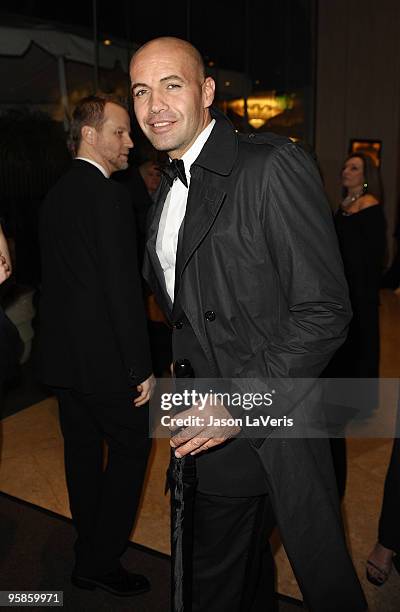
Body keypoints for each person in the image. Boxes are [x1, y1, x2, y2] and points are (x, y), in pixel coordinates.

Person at [130, 37, 367, 612]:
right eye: (141, 91)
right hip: (202, 419)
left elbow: (325, 310)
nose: (154, 105)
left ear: (207, 92)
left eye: (172, 85)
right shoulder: (167, 185)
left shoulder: (271, 165)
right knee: (243, 573)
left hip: (261, 415)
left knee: (210, 586)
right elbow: (197, 302)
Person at [37, 95, 155, 597]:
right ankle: (100, 559)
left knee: (82, 455)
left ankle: (90, 544)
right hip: (106, 363)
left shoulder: (55, 194)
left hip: (63, 362)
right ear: (91, 135)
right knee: (133, 446)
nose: (130, 142)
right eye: (121, 132)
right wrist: (141, 366)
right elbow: (121, 291)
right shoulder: (107, 196)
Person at [327, 154, 386, 498]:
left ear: (367, 177)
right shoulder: (345, 204)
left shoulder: (370, 205)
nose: (345, 171)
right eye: (345, 166)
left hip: (359, 294)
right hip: (342, 293)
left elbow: (372, 257)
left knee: (359, 345)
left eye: (354, 168)